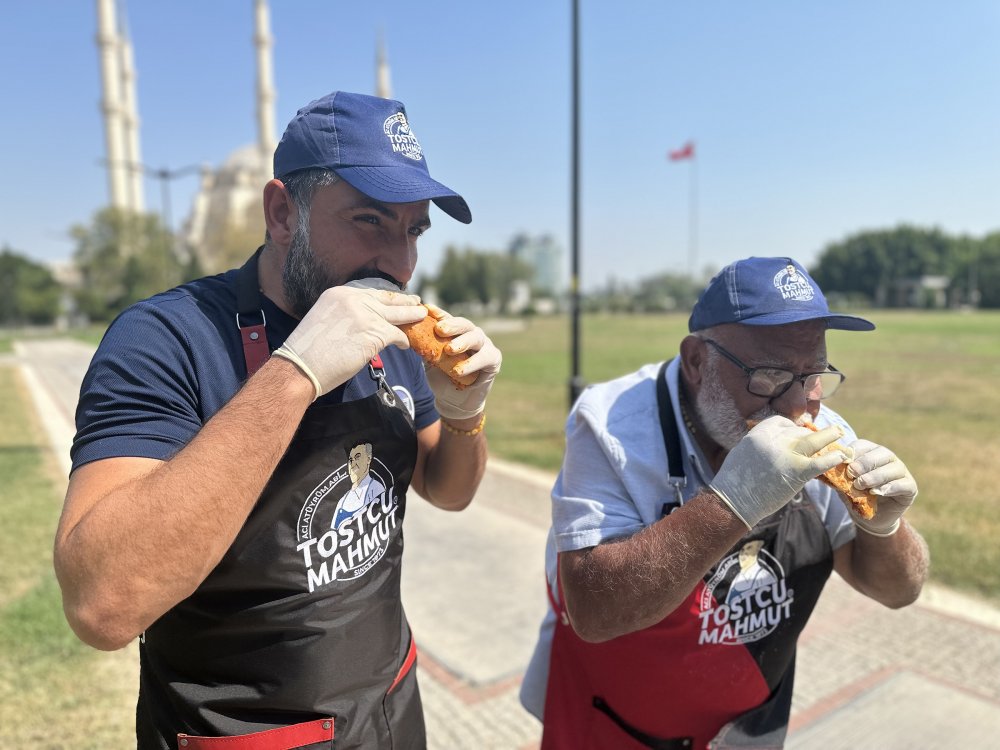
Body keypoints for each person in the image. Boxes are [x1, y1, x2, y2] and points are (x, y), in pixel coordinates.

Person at [53, 91, 501, 750]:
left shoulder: (395, 335)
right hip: (243, 736)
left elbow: (449, 489)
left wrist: (466, 414)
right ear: (281, 212)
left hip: (389, 714)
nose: (400, 264)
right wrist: (295, 374)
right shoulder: (167, 339)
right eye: (371, 220)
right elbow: (103, 605)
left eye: (413, 231)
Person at [520, 256, 928, 749]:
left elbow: (897, 591)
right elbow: (593, 609)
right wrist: (734, 501)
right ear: (696, 360)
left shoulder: (827, 434)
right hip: (614, 722)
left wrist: (885, 529)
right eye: (769, 376)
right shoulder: (612, 423)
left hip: (749, 725)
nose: (797, 406)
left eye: (813, 374)